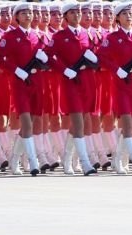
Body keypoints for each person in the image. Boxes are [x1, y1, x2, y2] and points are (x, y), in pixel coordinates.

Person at [45, 1, 98, 176]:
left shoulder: (87, 34)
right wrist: (64, 69)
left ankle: (68, 157)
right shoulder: (60, 36)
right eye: (73, 12)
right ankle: (85, 162)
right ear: (66, 16)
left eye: (79, 12)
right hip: (71, 80)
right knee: (77, 121)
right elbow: (49, 56)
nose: (77, 15)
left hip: (87, 79)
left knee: (83, 121)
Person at [97, 2, 132, 175]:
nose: (130, 16)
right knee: (127, 123)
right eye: (125, 13)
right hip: (121, 83)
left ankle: (118, 158)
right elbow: (101, 57)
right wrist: (116, 69)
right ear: (118, 18)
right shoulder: (112, 38)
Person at [0, 2, 46, 176]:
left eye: (29, 12)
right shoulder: (10, 36)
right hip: (19, 83)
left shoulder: (38, 35)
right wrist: (16, 70)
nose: (27, 15)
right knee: (25, 123)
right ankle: (33, 162)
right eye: (23, 13)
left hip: (37, 82)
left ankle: (15, 159)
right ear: (16, 17)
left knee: (31, 124)